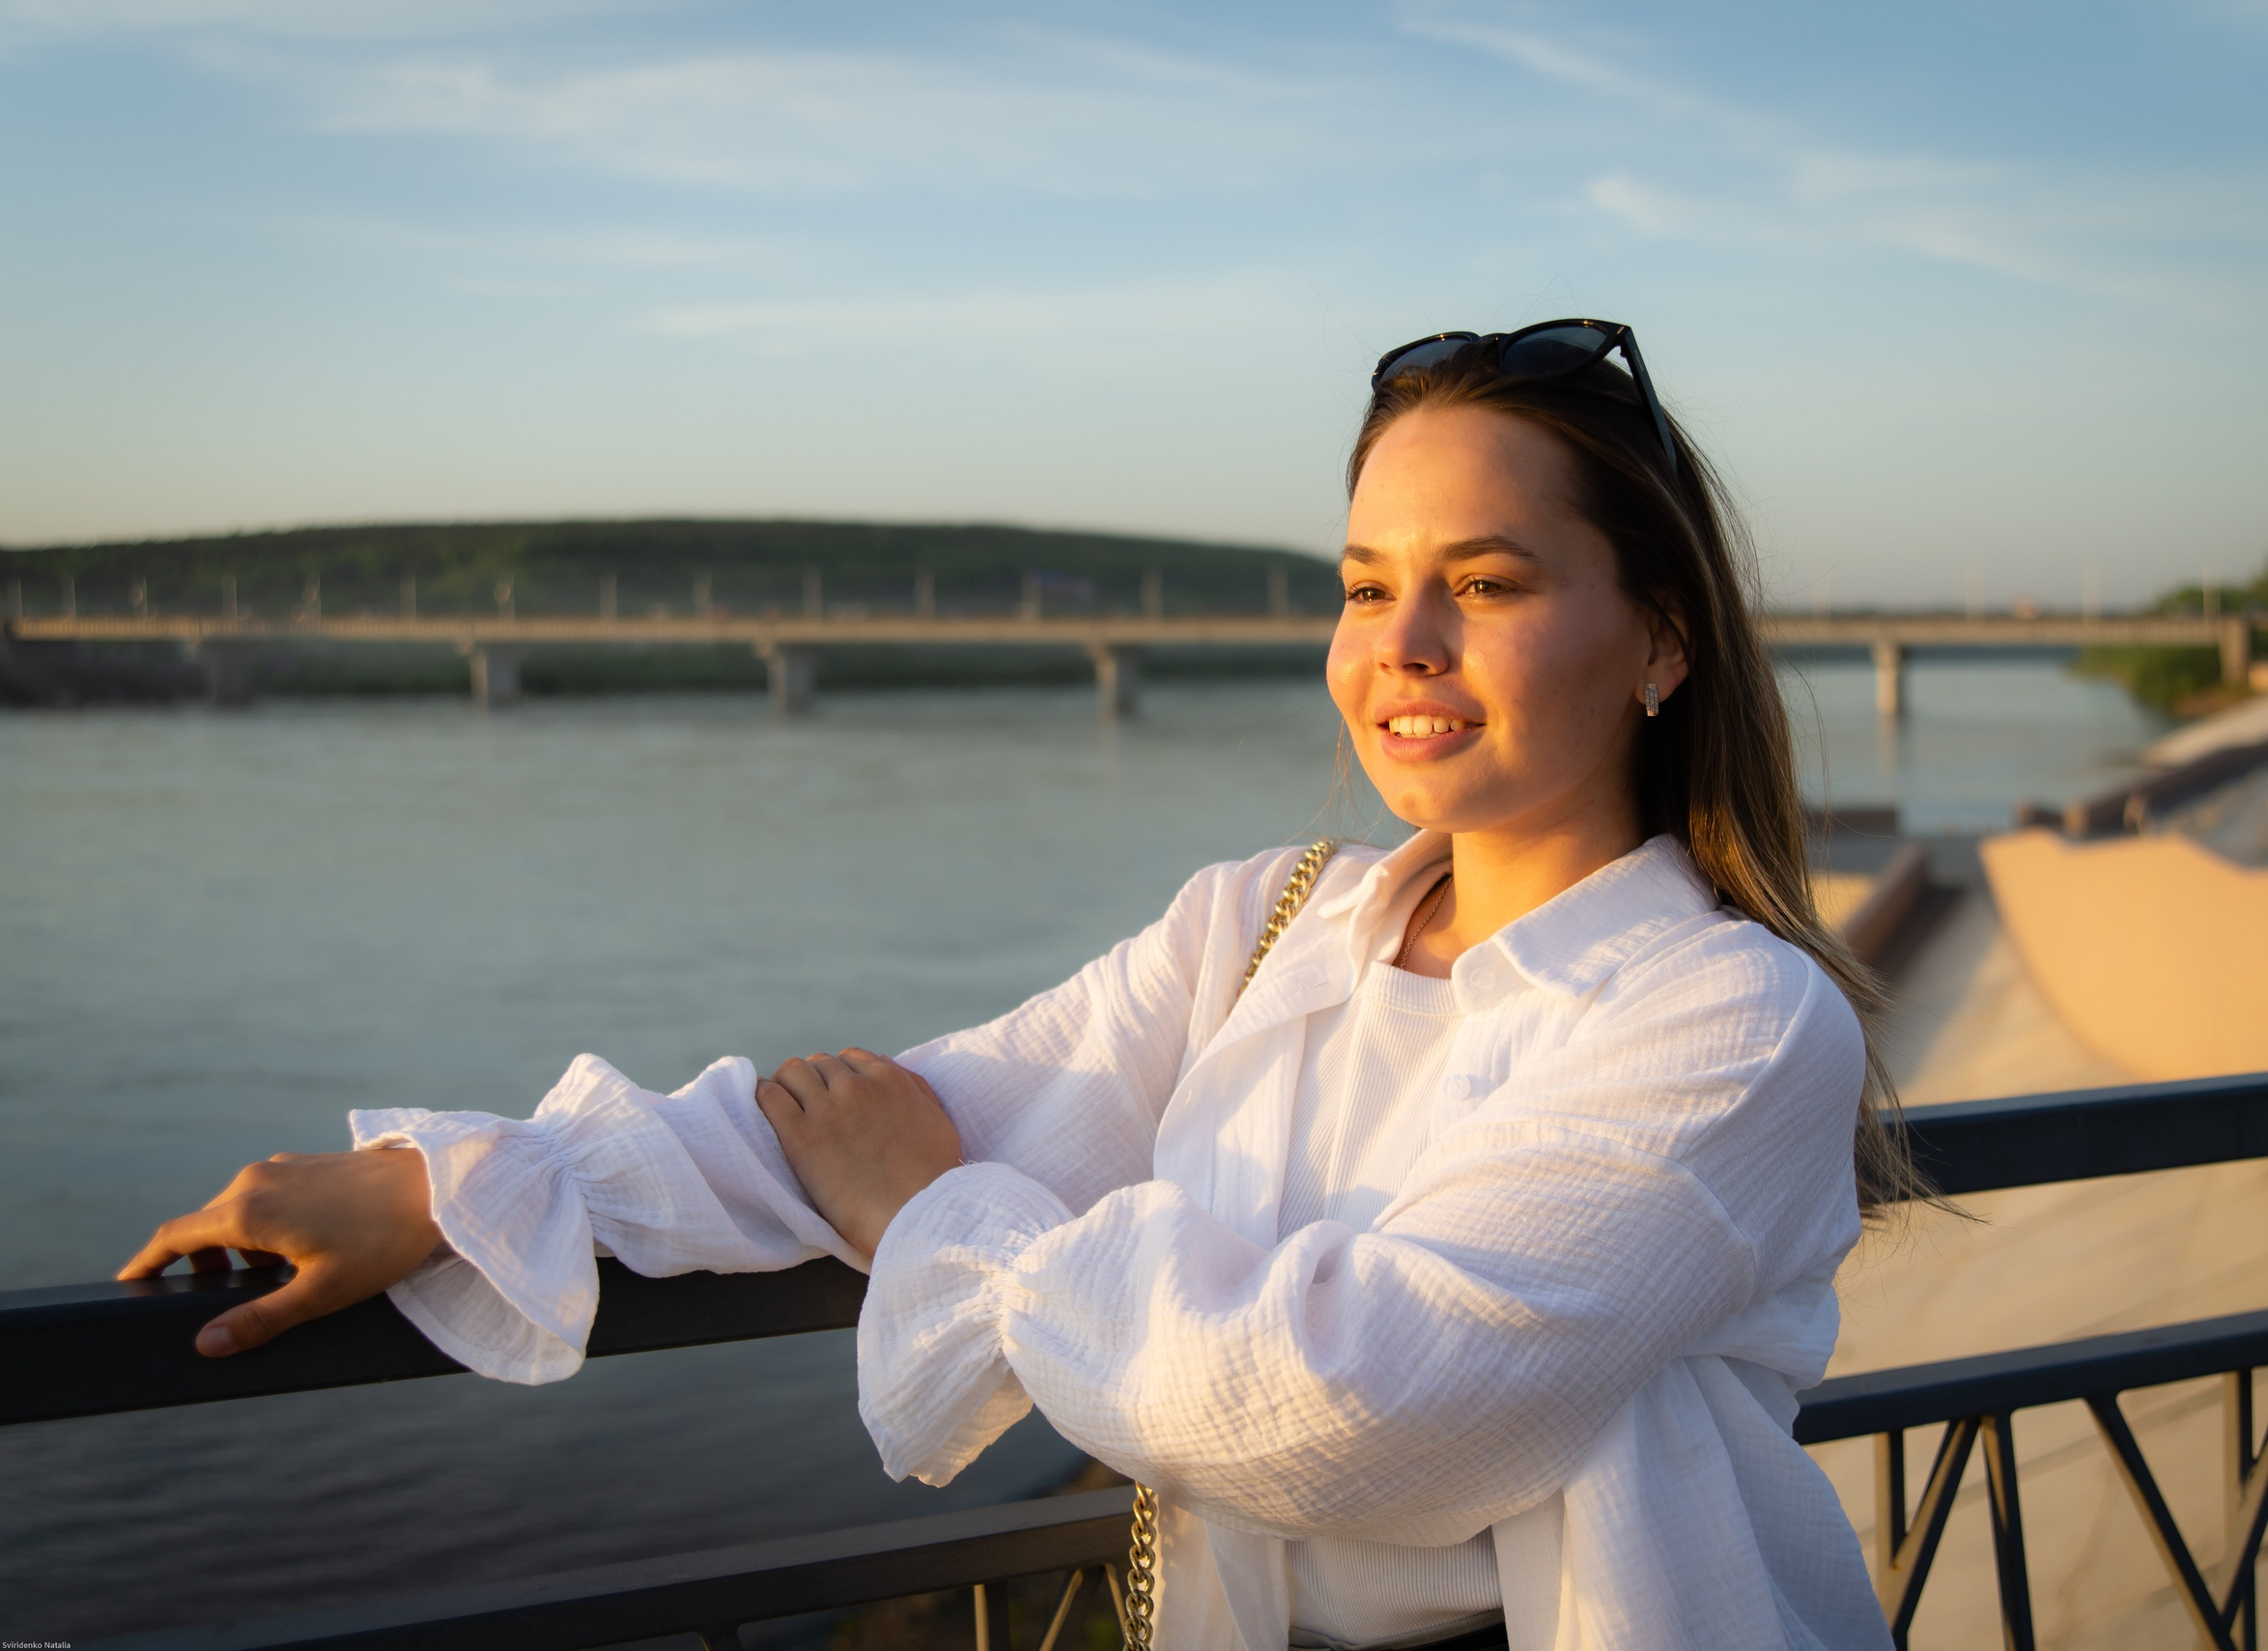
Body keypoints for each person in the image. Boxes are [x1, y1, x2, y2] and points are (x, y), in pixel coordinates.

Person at [125, 320, 1913, 1651]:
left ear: (1665, 637)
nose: (1402, 649)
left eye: (1488, 581)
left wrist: (945, 1221)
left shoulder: (1733, 1021)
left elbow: (1371, 1407)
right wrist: (459, 1182)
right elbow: (885, 1117)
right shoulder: (1262, 922)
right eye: (1367, 585)